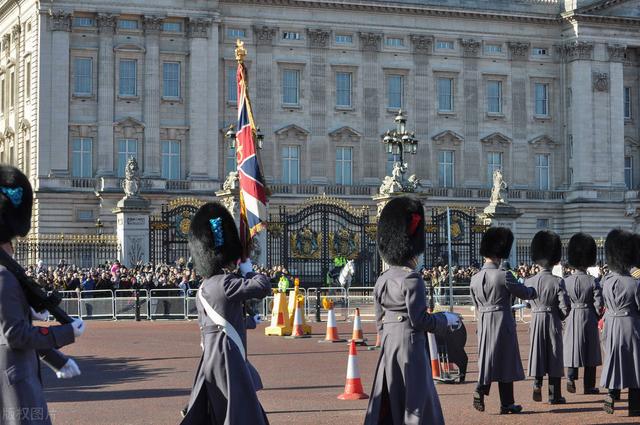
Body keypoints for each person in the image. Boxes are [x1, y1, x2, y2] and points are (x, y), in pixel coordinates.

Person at [0, 165, 85, 425]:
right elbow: (15, 335)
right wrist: (68, 333)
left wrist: (55, 359)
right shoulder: (3, 275)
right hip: (14, 383)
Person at [364, 196, 459, 425]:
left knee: (391, 398)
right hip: (411, 344)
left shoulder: (382, 279)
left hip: (389, 344)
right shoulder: (412, 278)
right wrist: (444, 320)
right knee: (416, 400)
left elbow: (379, 320)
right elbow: (419, 320)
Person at [180, 202, 270, 424]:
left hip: (211, 354)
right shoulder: (225, 283)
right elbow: (262, 286)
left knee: (221, 408)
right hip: (228, 354)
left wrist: (249, 321)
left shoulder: (203, 288)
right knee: (240, 408)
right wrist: (248, 268)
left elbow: (215, 322)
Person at [470, 227, 536, 414]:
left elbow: (475, 303)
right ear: (500, 254)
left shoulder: (474, 278)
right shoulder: (503, 275)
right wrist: (533, 290)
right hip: (502, 320)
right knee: (506, 360)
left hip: (483, 320)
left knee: (487, 358)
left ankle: (481, 388)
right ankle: (506, 403)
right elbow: (523, 292)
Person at [525, 230, 570, 404]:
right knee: (554, 354)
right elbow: (564, 306)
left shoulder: (529, 281)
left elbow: (528, 303)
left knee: (537, 352)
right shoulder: (558, 281)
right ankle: (554, 395)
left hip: (536, 318)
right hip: (552, 319)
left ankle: (537, 384)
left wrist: (536, 309)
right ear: (554, 260)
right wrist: (558, 316)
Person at [600, 229, 640, 416]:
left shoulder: (606, 282)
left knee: (613, 360)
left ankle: (610, 394)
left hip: (611, 324)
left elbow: (603, 303)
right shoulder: (635, 283)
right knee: (635, 364)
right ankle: (635, 406)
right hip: (630, 325)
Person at [563, 233, 603, 395]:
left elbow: (563, 302)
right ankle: (589, 386)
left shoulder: (565, 281)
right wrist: (597, 315)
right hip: (589, 315)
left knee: (573, 348)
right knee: (590, 352)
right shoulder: (593, 280)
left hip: (572, 315)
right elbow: (599, 303)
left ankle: (571, 378)